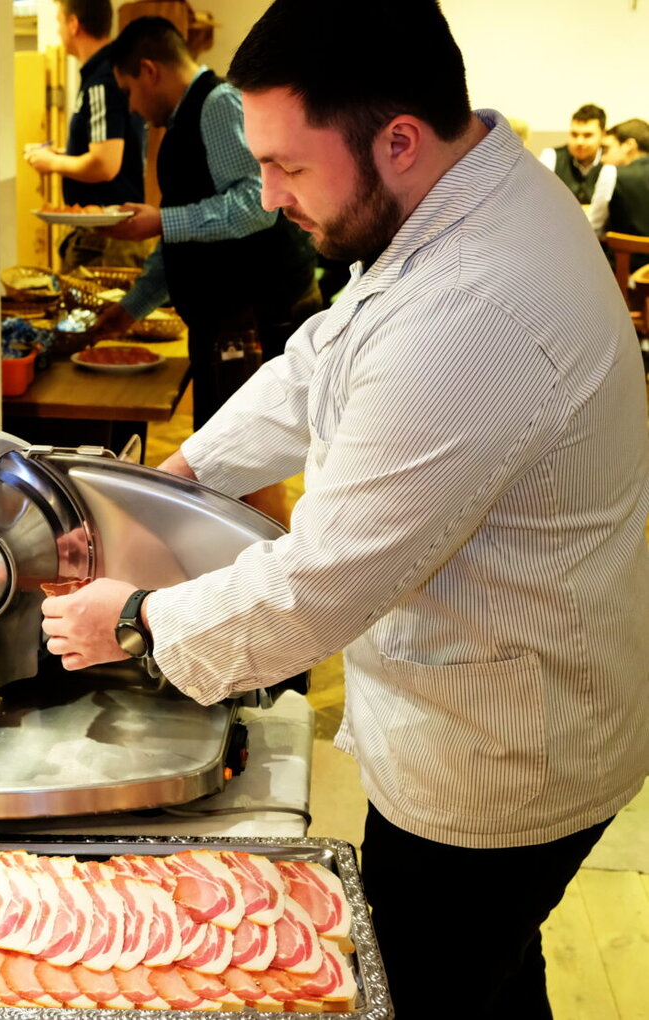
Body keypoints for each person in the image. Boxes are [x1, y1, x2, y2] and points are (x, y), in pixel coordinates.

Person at [41, 1, 649, 1018]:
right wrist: (174, 479)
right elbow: (320, 361)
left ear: (396, 139)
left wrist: (135, 622)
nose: (268, 194)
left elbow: (318, 583)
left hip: (502, 761)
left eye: (286, 167)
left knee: (423, 986)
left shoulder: (474, 309)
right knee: (494, 976)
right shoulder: (461, 191)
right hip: (517, 702)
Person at [93, 16, 321, 429]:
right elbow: (185, 239)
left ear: (149, 70)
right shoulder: (186, 117)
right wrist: (132, 308)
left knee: (246, 458)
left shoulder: (216, 103)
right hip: (225, 320)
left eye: (128, 92)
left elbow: (257, 205)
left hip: (255, 314)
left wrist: (160, 221)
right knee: (226, 454)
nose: (131, 107)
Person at [24, 0, 150, 271]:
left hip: (106, 240)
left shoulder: (102, 78)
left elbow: (105, 164)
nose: (58, 30)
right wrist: (57, 154)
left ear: (73, 24)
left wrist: (52, 163)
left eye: (59, 21)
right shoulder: (107, 72)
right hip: (106, 236)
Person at [541, 103, 615, 235]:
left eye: (587, 135)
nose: (580, 142)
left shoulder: (612, 163)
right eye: (574, 135)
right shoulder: (551, 156)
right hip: (556, 236)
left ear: (603, 135)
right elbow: (542, 205)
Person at [602, 119, 649, 270]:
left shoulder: (612, 173)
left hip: (626, 271)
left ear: (629, 145)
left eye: (607, 149)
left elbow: (594, 228)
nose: (603, 158)